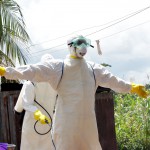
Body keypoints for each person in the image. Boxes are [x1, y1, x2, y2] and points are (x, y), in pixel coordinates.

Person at [0, 35, 149, 150]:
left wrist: (132, 87)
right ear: (70, 46)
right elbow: (33, 70)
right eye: (79, 43)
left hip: (87, 124)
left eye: (85, 43)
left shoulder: (93, 68)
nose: (83, 46)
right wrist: (7, 72)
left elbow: (113, 80)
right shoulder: (59, 68)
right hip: (66, 125)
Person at [14, 54, 57, 150]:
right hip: (44, 121)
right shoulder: (55, 84)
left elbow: (24, 103)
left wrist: (17, 110)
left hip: (40, 122)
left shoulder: (31, 81)